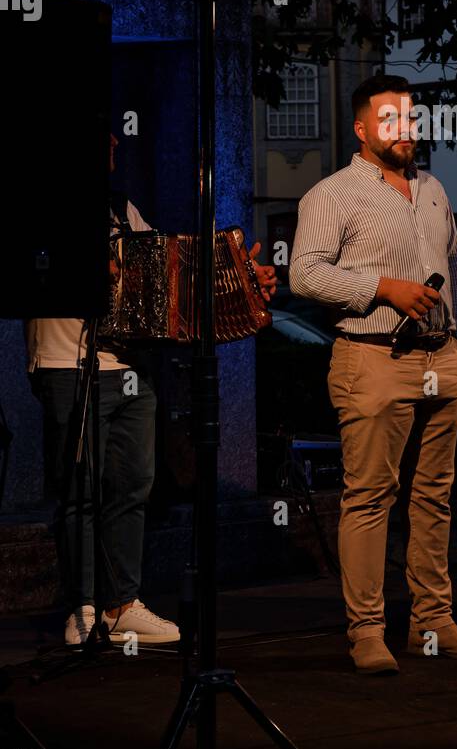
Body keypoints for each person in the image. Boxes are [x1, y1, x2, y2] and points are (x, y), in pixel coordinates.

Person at [28, 132, 277, 647]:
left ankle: (123, 605)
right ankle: (83, 606)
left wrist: (239, 278)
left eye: (115, 138)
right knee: (80, 491)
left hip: (128, 366)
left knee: (133, 485)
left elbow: (173, 271)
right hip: (66, 362)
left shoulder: (122, 209)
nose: (113, 143)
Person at [289, 74, 457, 674]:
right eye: (392, 119)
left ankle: (432, 620)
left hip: (441, 357)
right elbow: (305, 275)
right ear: (363, 128)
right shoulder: (332, 194)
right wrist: (381, 288)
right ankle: (367, 630)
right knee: (370, 496)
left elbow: (456, 263)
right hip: (372, 357)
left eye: (412, 119)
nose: (406, 130)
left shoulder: (432, 189)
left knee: (434, 496)